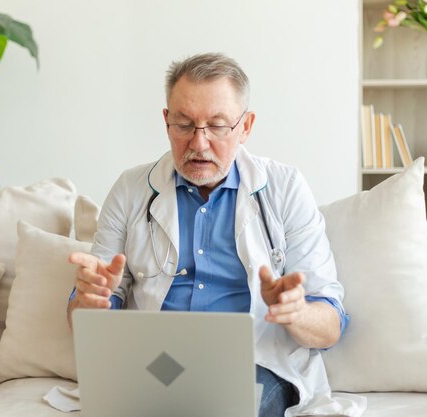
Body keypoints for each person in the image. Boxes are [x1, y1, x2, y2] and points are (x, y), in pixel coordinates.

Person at [67, 53, 352, 417]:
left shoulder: (286, 188)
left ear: (245, 126)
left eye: (217, 126)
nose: (199, 144)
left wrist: (296, 312)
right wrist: (92, 302)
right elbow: (84, 318)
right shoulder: (129, 189)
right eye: (184, 124)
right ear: (166, 122)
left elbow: (330, 326)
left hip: (256, 363)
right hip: (153, 364)